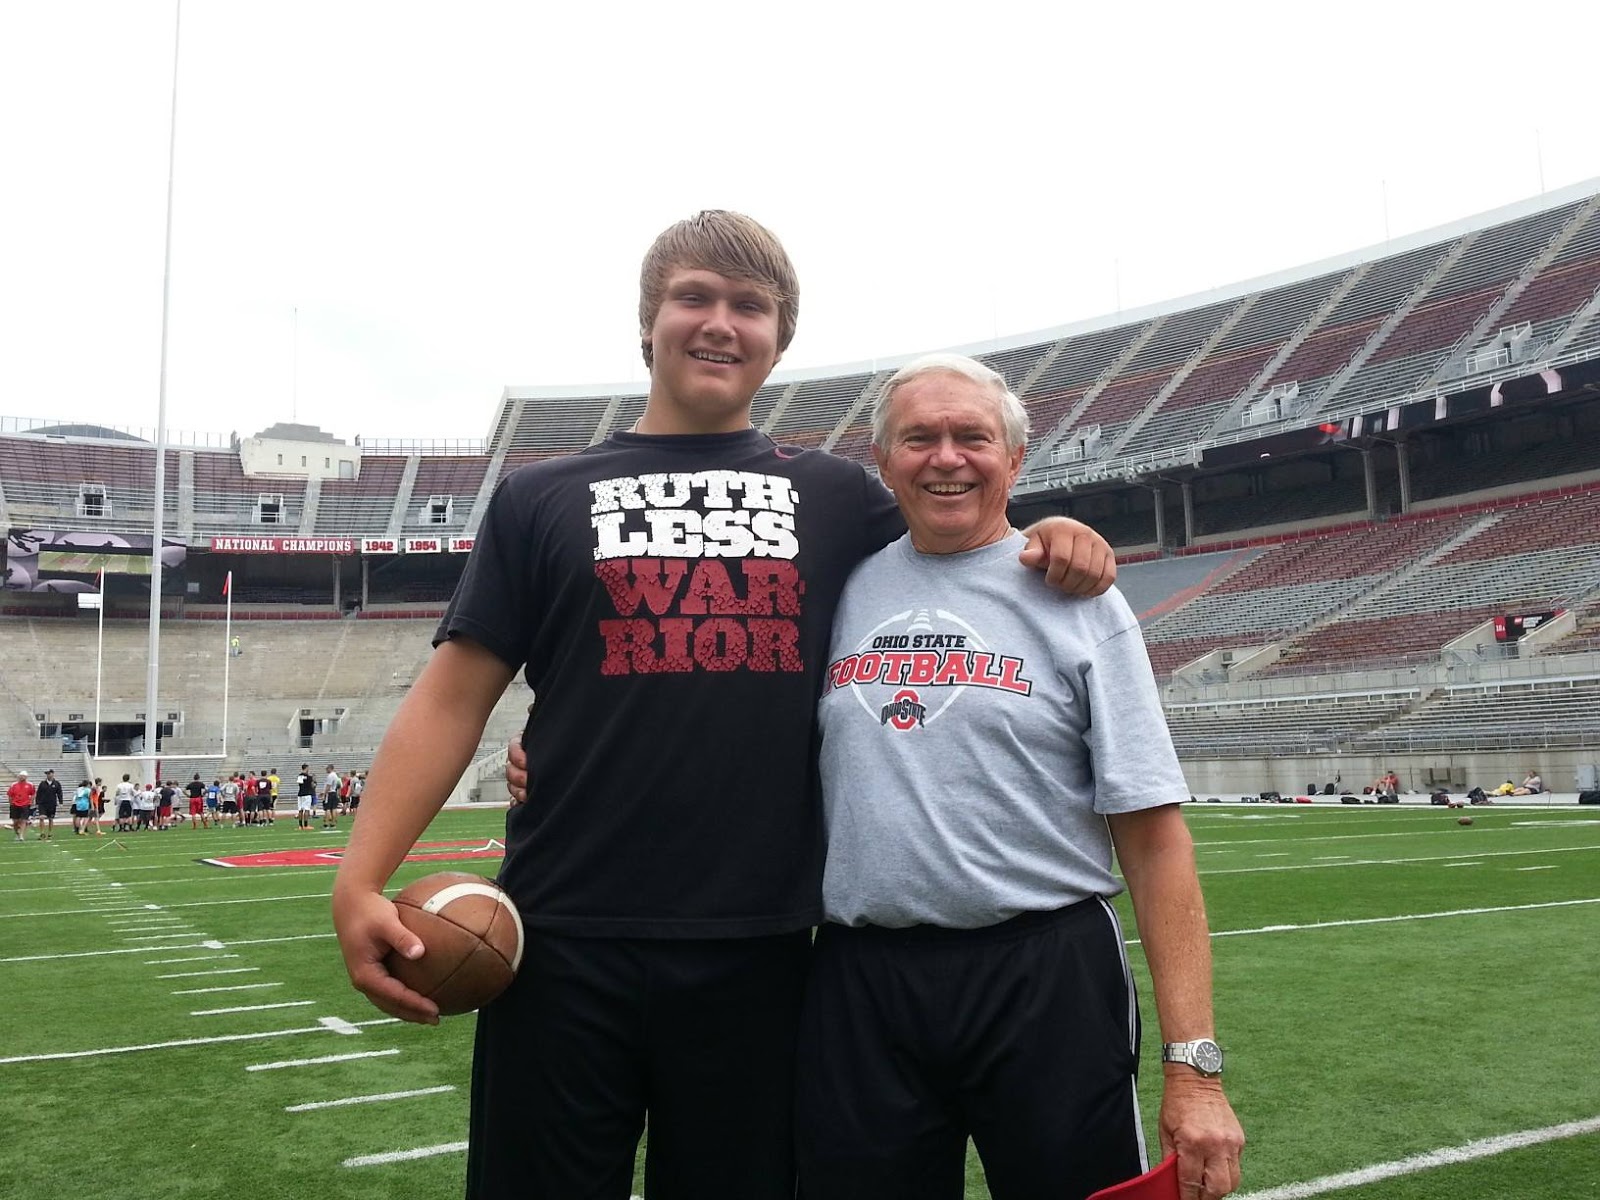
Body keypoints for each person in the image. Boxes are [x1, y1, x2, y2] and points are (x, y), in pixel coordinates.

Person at [334, 210, 1116, 1200]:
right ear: (647, 323)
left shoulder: (841, 498)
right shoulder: (540, 497)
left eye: (749, 306)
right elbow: (453, 698)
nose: (719, 322)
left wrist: (1057, 531)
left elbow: (965, 531)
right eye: (693, 297)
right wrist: (359, 879)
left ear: (779, 340)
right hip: (561, 934)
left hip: (764, 952)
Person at [795, 354, 1243, 1200]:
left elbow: (1154, 841)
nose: (947, 457)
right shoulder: (837, 591)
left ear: (1015, 459)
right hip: (863, 978)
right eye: (919, 438)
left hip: (1047, 973)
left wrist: (1196, 1071)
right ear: (883, 461)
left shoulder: (1079, 597)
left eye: (972, 436)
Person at [34, 769, 63, 840]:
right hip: (42, 804)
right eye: (47, 774)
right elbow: (38, 793)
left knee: (50, 819)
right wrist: (37, 802)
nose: (48, 775)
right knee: (41, 818)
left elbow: (59, 793)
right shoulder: (42, 783)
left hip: (52, 804)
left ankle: (50, 833)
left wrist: (61, 802)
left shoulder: (56, 783)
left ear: (52, 774)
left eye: (49, 773)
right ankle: (42, 833)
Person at [8, 770, 35, 841]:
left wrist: (31, 801)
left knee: (24, 820)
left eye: (24, 776)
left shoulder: (30, 785)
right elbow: (10, 795)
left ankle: (21, 835)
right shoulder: (14, 785)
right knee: (15, 822)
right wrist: (11, 803)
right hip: (15, 804)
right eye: (21, 776)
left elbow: (33, 794)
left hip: (25, 805)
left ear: (26, 777)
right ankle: (17, 833)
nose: (22, 777)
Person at [295, 764, 317, 831]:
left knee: (300, 810)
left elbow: (299, 784)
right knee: (306, 809)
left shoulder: (299, 776)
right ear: (306, 768)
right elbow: (313, 786)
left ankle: (300, 826)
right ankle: (306, 825)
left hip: (300, 794)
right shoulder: (309, 777)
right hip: (307, 794)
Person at [322, 765, 342, 830]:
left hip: (330, 793)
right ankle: (333, 823)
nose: (326, 770)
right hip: (334, 792)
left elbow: (328, 785)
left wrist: (324, 793)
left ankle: (326, 823)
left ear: (330, 768)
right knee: (334, 808)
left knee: (327, 808)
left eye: (327, 769)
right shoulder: (335, 775)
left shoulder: (330, 776)